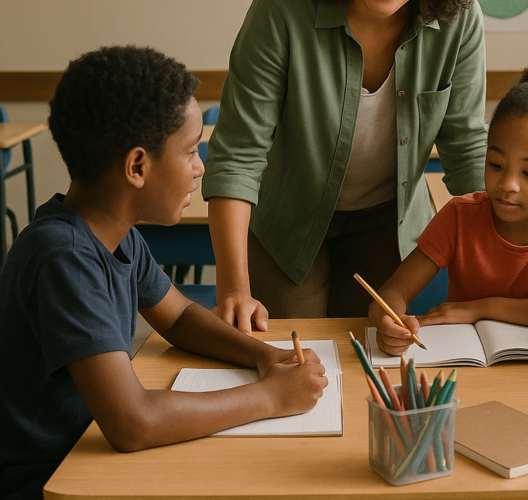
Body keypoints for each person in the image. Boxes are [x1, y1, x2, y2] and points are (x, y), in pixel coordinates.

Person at [0, 46, 328, 500]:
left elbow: (178, 318)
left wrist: (262, 357)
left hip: (89, 455)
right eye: (192, 151)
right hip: (50, 478)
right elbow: (133, 423)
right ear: (137, 166)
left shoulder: (116, 234)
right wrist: (271, 397)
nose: (200, 168)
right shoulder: (64, 256)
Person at [202, 0, 488, 329]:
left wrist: (501, 264)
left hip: (391, 225)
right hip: (287, 223)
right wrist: (234, 288)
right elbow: (238, 154)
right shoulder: (283, 6)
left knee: (373, 359)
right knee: (293, 354)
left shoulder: (459, 19)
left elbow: (465, 147)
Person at [372, 60, 528, 355]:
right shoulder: (460, 215)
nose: (508, 184)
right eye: (495, 165)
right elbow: (391, 293)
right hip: (469, 367)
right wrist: (389, 321)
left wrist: (485, 308)